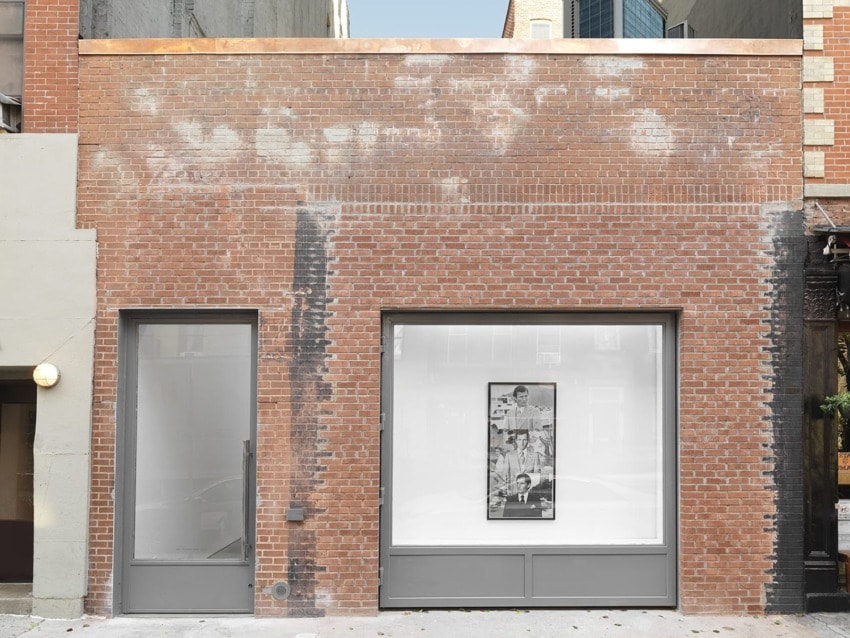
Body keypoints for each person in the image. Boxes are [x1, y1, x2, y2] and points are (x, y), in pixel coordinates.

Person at [502, 385, 552, 462]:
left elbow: (538, 430)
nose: (525, 399)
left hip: (529, 449)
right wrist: (510, 443)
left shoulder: (535, 412)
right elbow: (506, 431)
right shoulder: (509, 413)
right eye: (521, 397)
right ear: (515, 398)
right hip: (513, 450)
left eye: (526, 396)